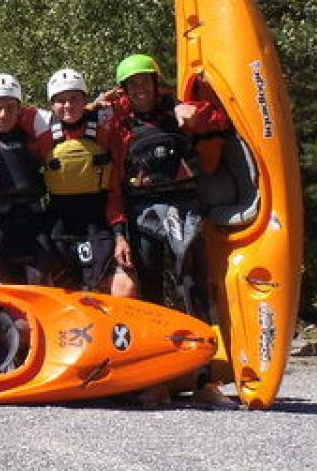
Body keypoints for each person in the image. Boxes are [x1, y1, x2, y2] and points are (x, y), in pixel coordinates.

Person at [106, 53, 233, 406]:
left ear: (156, 83)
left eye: (145, 81)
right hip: (142, 214)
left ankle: (205, 381)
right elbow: (115, 185)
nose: (140, 89)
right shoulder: (120, 126)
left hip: (183, 208)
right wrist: (118, 233)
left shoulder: (180, 112)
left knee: (193, 291)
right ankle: (156, 380)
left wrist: (197, 116)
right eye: (133, 84)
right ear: (125, 91)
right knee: (150, 301)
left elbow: (224, 124)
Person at [39, 68, 135, 294]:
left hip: (98, 222)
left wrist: (120, 235)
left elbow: (135, 102)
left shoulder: (104, 133)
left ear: (85, 99)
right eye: (61, 101)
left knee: (126, 287)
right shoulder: (42, 139)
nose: (68, 106)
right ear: (52, 105)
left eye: (74, 99)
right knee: (56, 290)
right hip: (59, 226)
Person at [0, 74, 56, 285]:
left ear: (20, 109)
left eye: (10, 107)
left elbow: (70, 119)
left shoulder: (32, 134)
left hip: (30, 215)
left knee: (43, 270)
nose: (4, 114)